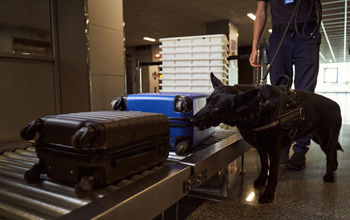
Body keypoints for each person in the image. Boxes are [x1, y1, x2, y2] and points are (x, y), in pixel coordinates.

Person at [249, 0, 321, 170]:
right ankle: (282, 145)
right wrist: (254, 47)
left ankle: (300, 149)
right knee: (279, 93)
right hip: (279, 35)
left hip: (307, 32)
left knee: (305, 92)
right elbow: (261, 11)